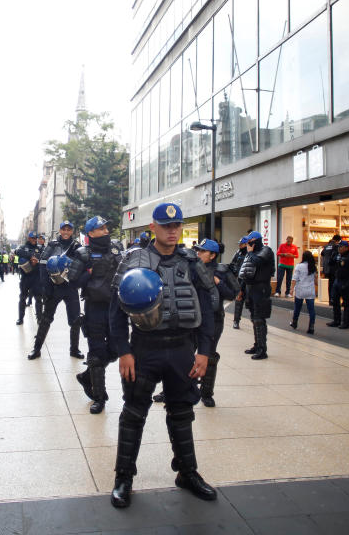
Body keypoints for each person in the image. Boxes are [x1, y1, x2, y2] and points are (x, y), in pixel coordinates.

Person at [108, 203, 217, 508]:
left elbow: (207, 307)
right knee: (133, 413)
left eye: (177, 226)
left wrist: (205, 351)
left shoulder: (191, 261)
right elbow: (115, 311)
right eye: (166, 226)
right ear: (153, 227)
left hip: (182, 348)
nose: (172, 231)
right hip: (145, 348)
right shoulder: (134, 260)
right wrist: (124, 352)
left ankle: (187, 472)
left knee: (182, 412)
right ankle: (123, 477)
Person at [70, 216, 122, 413]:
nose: (106, 231)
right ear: (91, 233)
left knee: (117, 348)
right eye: (101, 229)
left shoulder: (116, 249)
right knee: (97, 351)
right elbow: (73, 282)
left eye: (106, 227)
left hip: (116, 307)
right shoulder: (83, 253)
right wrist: (89, 273)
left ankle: (86, 376)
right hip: (95, 308)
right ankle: (99, 397)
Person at [29, 221, 83, 359]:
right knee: (46, 319)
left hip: (70, 288)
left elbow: (82, 266)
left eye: (68, 229)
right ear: (59, 230)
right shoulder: (52, 245)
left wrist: (78, 283)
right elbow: (42, 264)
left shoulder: (77, 246)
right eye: (63, 229)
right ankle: (36, 348)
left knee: (75, 319)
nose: (66, 232)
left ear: (72, 231)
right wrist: (46, 287)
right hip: (54, 288)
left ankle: (74, 349)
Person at [195, 239, 238, 407]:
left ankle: (206, 392)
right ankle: (176, 388)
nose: (198, 253)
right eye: (198, 250)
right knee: (183, 354)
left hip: (213, 319)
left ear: (212, 255)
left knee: (209, 355)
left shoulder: (222, 271)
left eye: (202, 251)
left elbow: (233, 294)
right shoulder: (192, 269)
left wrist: (218, 283)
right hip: (192, 318)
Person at [239, 231, 275, 359]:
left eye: (251, 241)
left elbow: (258, 262)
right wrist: (241, 290)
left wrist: (249, 252)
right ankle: (257, 344)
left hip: (261, 288)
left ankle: (262, 349)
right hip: (250, 288)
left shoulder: (266, 251)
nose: (249, 244)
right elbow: (245, 271)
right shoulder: (251, 253)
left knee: (259, 319)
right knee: (254, 318)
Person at [15, 232, 44, 325]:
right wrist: (30, 256)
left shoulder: (39, 248)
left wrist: (36, 260)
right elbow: (17, 252)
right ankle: (20, 318)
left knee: (38, 299)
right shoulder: (23, 247)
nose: (34, 240)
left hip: (36, 277)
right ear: (29, 238)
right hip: (26, 277)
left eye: (35, 238)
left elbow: (43, 257)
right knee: (22, 297)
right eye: (32, 238)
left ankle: (39, 318)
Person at [327, 240, 349, 329]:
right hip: (337, 280)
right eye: (338, 247)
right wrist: (333, 255)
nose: (339, 248)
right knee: (335, 301)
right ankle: (336, 320)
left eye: (341, 247)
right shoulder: (338, 255)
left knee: (346, 303)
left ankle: (346, 322)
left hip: (346, 281)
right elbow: (330, 263)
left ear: (346, 248)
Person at [289, 251, 318, 334]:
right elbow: (315, 281)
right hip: (310, 290)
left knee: (297, 308)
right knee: (311, 310)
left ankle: (294, 323)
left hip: (300, 289)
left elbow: (294, 279)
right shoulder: (313, 267)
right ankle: (311, 327)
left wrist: (291, 289)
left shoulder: (299, 266)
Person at [228, 237, 248, 329]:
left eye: (241, 244)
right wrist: (234, 271)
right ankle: (236, 321)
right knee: (238, 301)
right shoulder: (238, 253)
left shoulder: (251, 254)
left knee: (252, 303)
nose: (239, 246)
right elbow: (232, 264)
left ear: (246, 244)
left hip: (249, 281)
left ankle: (257, 322)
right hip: (239, 280)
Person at [321, 234, 341, 312]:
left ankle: (330, 300)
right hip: (334, 268)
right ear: (337, 240)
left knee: (330, 284)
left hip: (326, 268)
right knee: (335, 284)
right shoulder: (335, 246)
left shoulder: (326, 246)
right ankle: (334, 300)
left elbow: (322, 253)